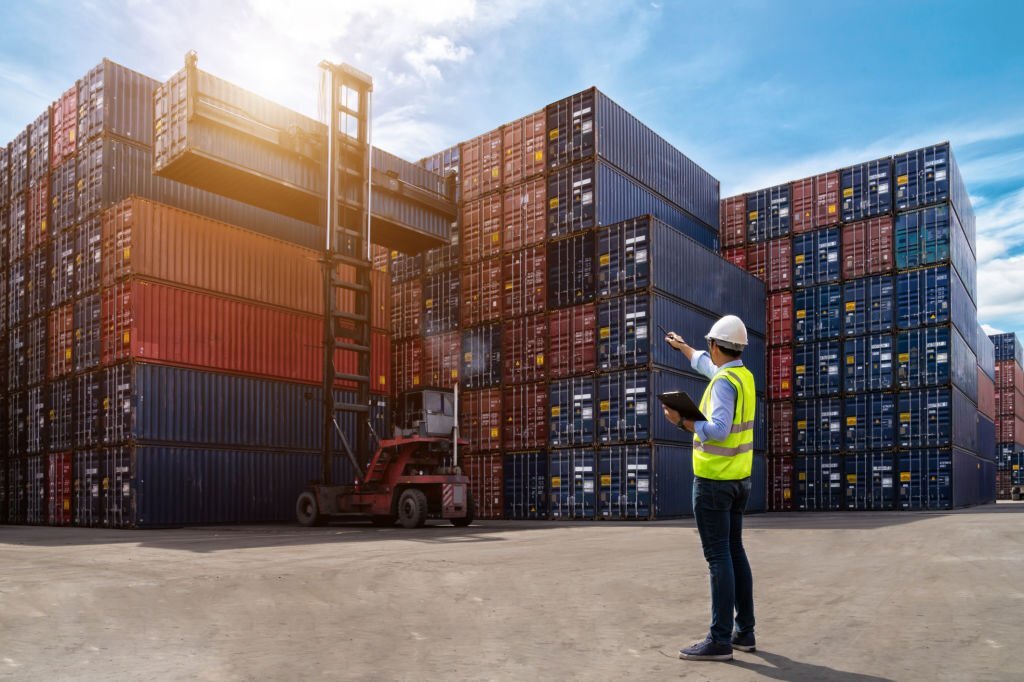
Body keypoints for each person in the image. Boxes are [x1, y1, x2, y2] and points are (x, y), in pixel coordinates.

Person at [662, 314, 756, 662]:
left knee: (718, 558)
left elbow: (717, 429)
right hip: (738, 480)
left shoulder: (722, 384)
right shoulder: (741, 376)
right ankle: (744, 631)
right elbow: (707, 367)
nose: (708, 350)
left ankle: (719, 639)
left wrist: (683, 421)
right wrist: (683, 347)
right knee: (734, 552)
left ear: (717, 345)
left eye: (708, 345)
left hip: (714, 482)